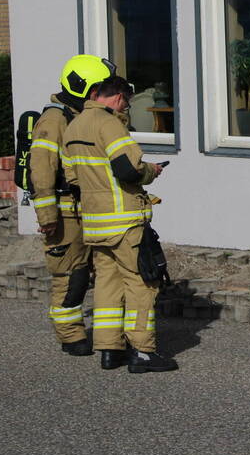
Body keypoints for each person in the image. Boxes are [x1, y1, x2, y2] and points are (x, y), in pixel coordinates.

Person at [63, 75, 176, 373]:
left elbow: (72, 178)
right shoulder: (110, 123)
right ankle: (143, 352)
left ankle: (109, 350)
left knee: (107, 285)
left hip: (96, 223)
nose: (126, 108)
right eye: (126, 102)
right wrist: (150, 171)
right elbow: (127, 169)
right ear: (118, 98)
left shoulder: (73, 127)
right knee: (142, 283)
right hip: (124, 221)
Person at [29, 54, 115, 356]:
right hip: (65, 213)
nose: (103, 93)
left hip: (90, 208)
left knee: (100, 272)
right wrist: (47, 215)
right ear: (86, 89)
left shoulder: (84, 116)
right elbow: (40, 170)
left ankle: (108, 337)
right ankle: (70, 335)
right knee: (70, 275)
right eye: (100, 88)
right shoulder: (53, 120)